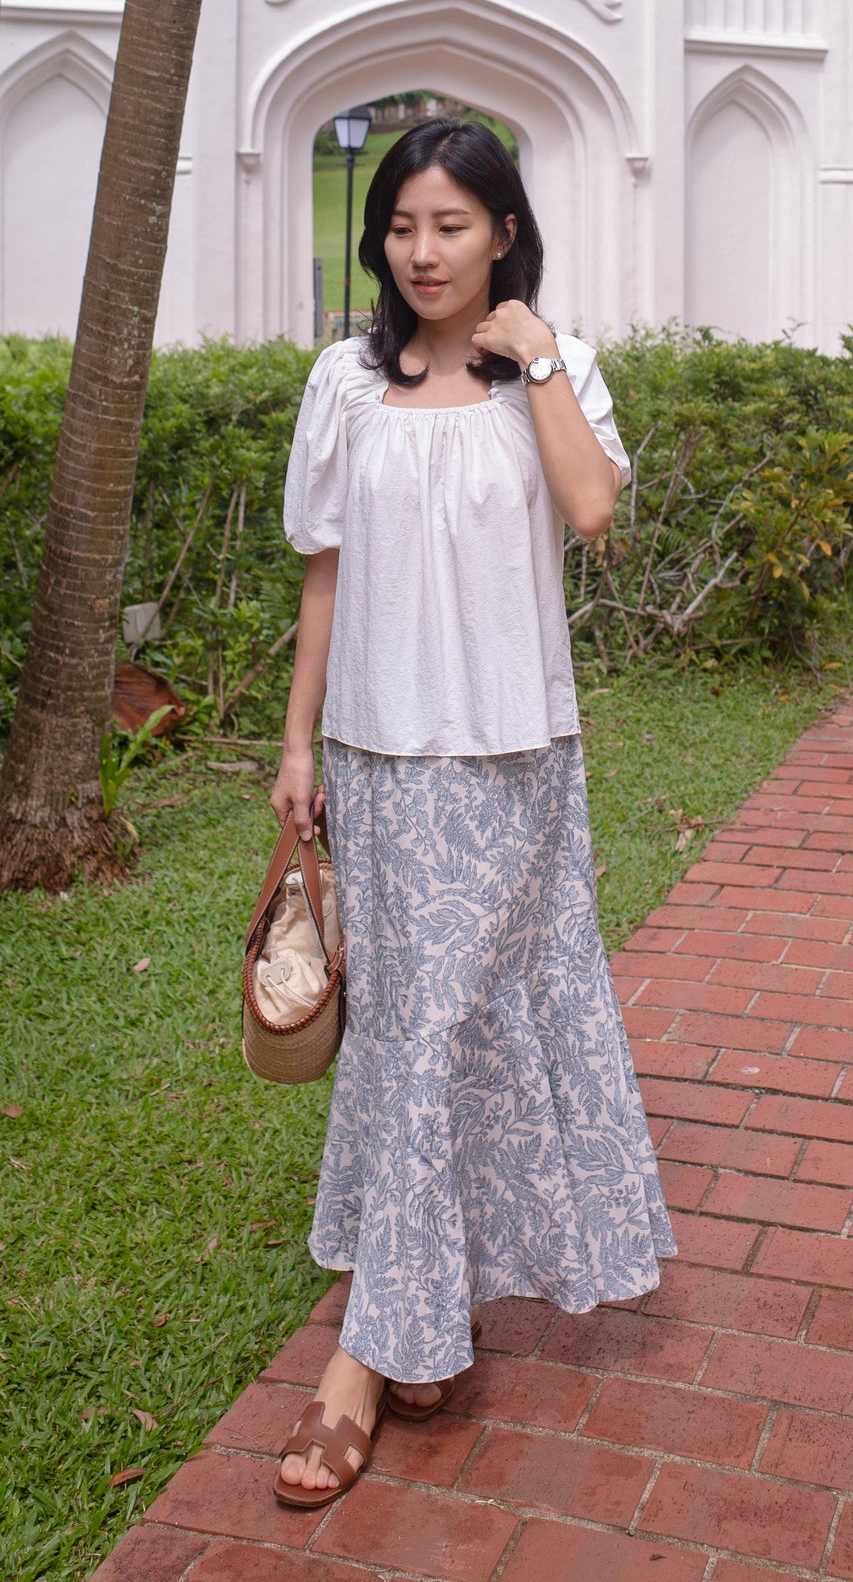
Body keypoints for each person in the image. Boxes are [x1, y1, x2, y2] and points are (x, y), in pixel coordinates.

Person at [269, 118, 676, 1508]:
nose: (422, 251)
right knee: (411, 1032)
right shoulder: (342, 382)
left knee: (443, 1029)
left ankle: (356, 1370)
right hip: (380, 760)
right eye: (400, 227)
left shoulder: (544, 378)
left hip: (508, 759)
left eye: (450, 225)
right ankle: (418, 1329)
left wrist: (541, 354)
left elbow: (593, 510)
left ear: (501, 230)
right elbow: (323, 574)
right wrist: (294, 746)